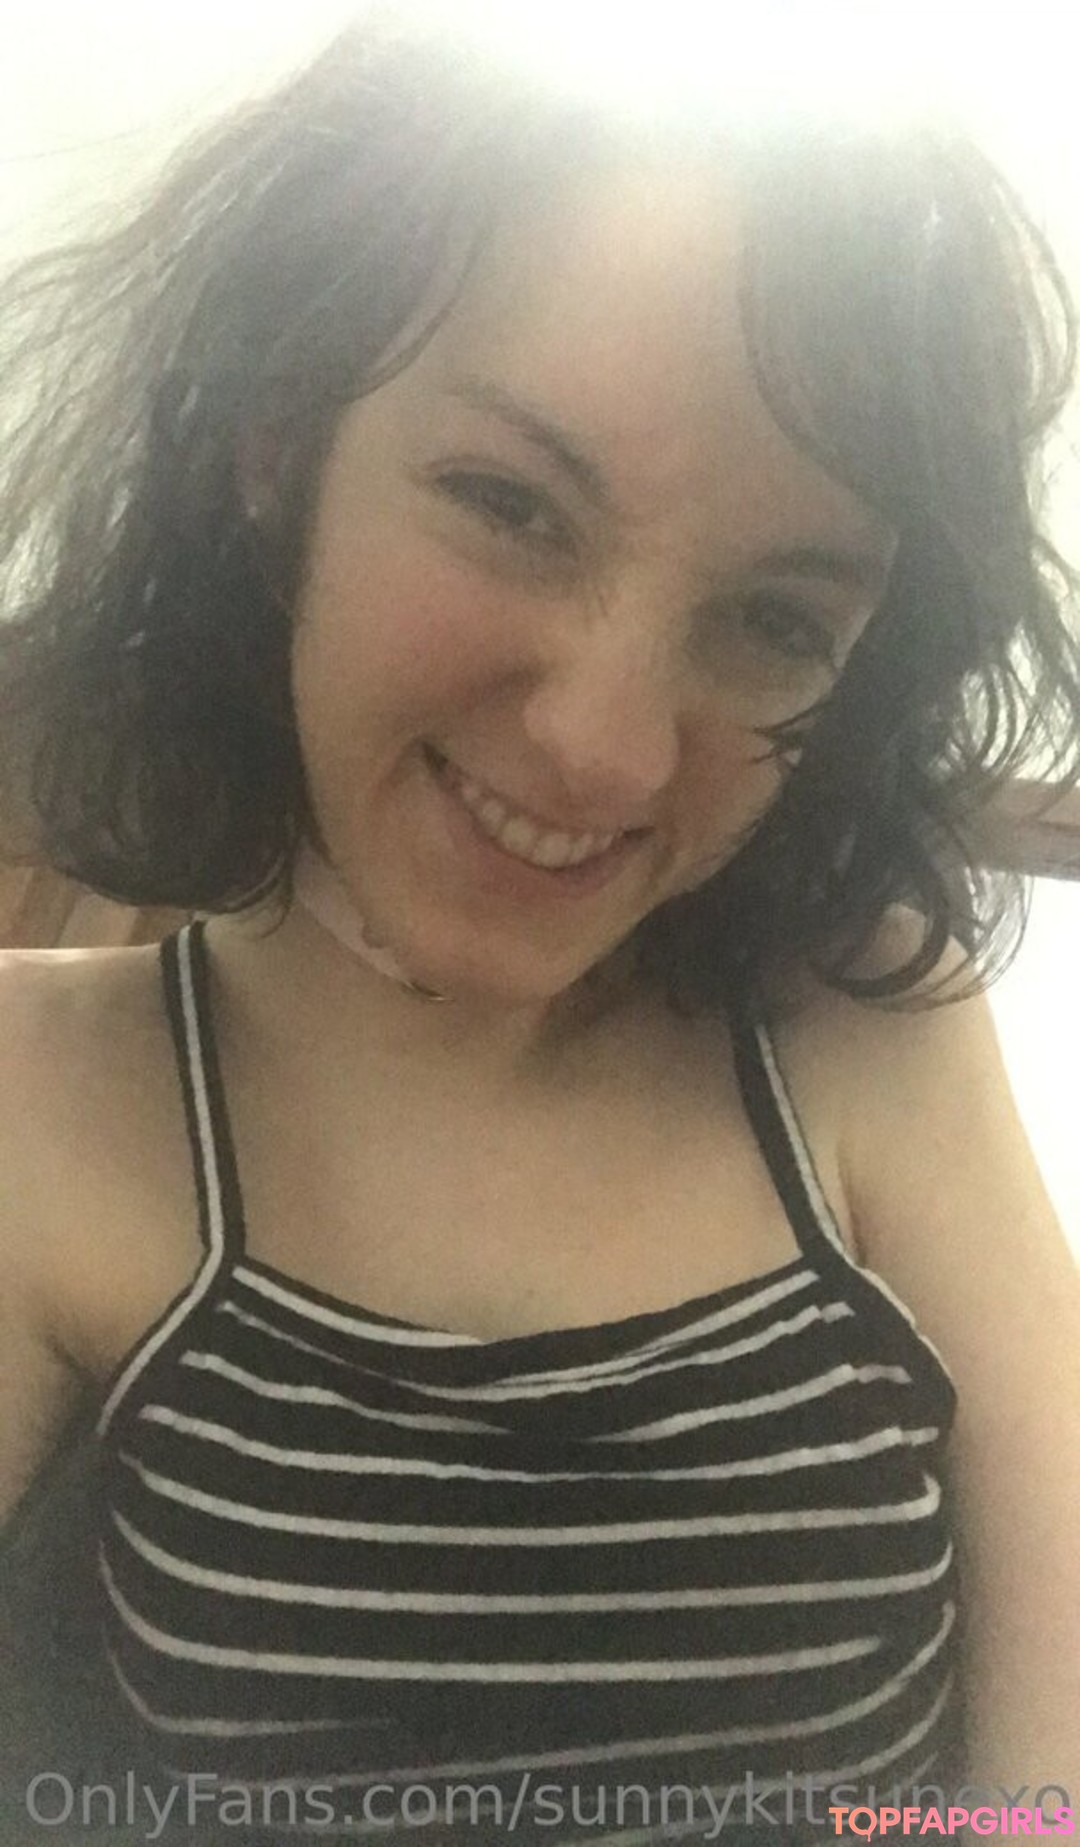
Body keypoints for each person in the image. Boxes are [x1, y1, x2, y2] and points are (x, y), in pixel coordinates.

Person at [1, 10, 1079, 1844]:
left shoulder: (863, 1006)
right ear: (281, 447)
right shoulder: (50, 1097)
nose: (607, 748)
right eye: (511, 506)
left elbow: (1046, 1787)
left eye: (774, 622)